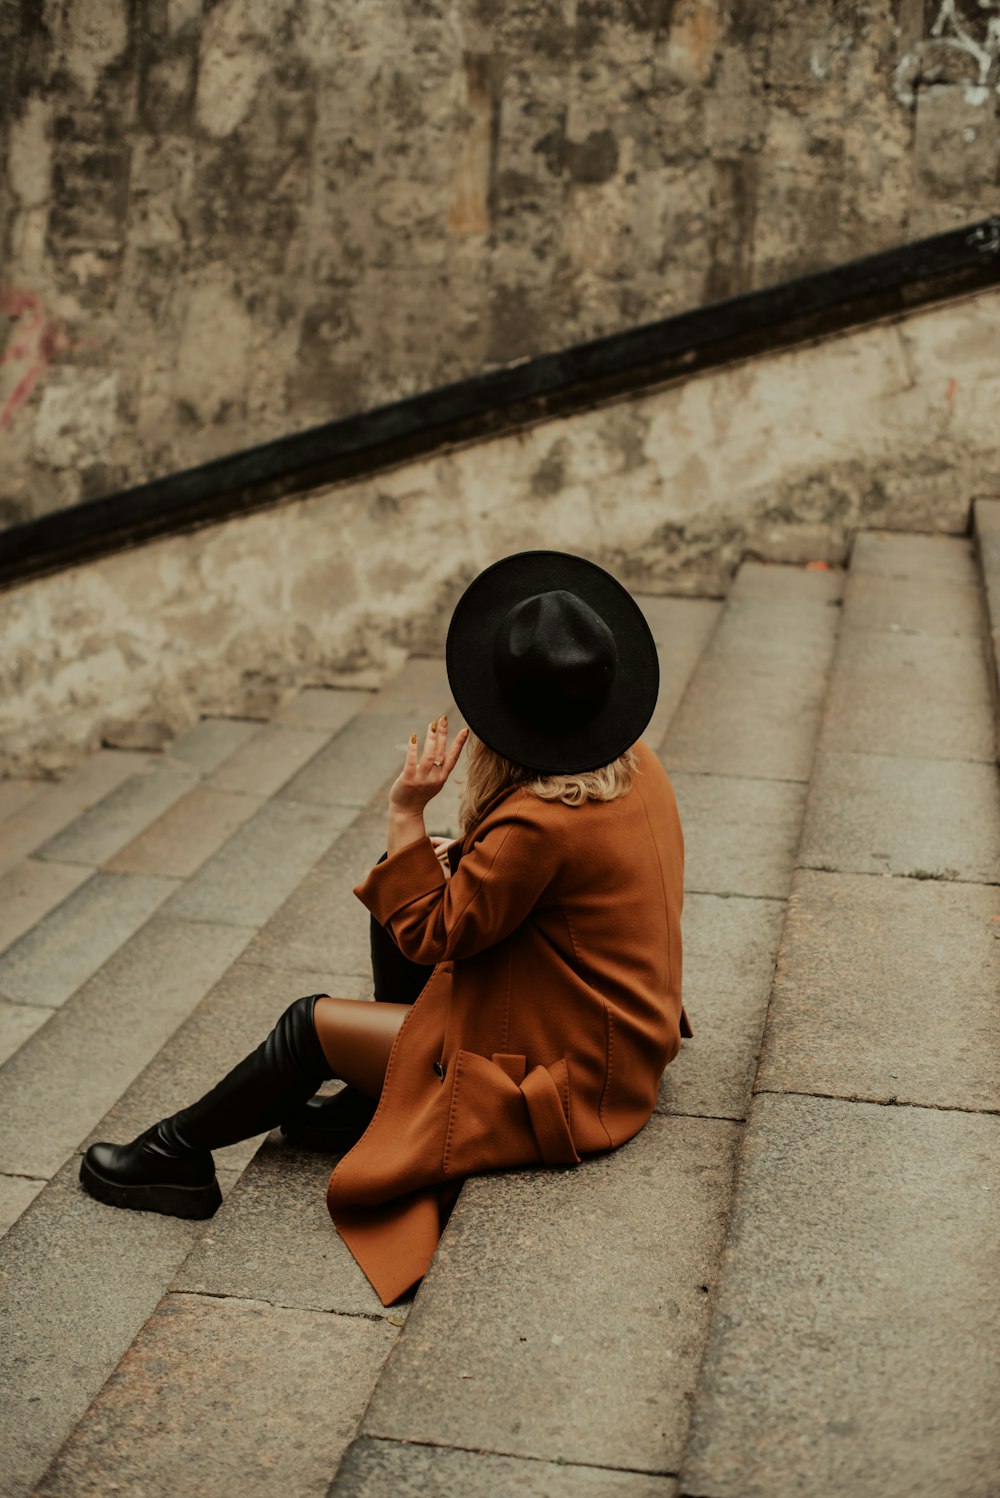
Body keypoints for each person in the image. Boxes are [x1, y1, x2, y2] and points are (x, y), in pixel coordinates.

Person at [80, 550, 689, 1306]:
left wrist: (408, 810)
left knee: (308, 1027)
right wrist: (453, 851)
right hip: (615, 1026)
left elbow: (438, 934)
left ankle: (175, 1157)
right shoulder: (633, 760)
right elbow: (547, 883)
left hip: (571, 1074)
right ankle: (370, 1098)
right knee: (398, 871)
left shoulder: (538, 824)